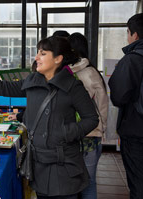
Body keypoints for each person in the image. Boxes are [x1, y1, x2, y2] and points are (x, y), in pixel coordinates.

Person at [0, 36, 99, 198]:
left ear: (58, 59)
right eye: (37, 53)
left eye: (43, 53)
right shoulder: (33, 81)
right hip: (39, 163)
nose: (36, 58)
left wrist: (65, 132)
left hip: (63, 165)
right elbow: (2, 87)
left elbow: (91, 119)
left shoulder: (72, 86)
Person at [67, 32, 109, 199]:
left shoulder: (64, 74)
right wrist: (102, 127)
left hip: (70, 134)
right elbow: (102, 104)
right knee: (89, 181)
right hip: (91, 134)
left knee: (72, 181)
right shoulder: (92, 72)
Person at [108, 13, 143, 199]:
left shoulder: (132, 59)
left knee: (138, 181)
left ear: (135, 35)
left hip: (136, 132)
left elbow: (119, 97)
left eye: (128, 32)